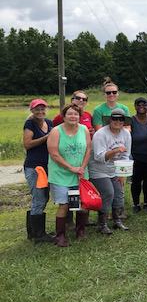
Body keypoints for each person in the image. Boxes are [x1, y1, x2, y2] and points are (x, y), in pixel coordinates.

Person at [47, 104, 91, 247]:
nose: (73, 116)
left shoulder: (84, 129)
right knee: (64, 204)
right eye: (70, 114)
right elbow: (54, 153)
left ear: (80, 116)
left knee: (82, 203)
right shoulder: (56, 131)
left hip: (80, 173)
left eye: (76, 114)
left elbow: (88, 149)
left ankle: (81, 231)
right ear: (63, 117)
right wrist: (72, 168)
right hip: (61, 174)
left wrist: (82, 168)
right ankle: (60, 236)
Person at [89, 108, 132, 234]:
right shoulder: (101, 134)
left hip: (115, 169)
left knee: (119, 193)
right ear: (110, 120)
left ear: (124, 121)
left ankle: (117, 220)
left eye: (121, 119)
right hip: (98, 169)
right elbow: (99, 157)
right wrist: (115, 150)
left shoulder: (126, 134)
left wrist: (122, 173)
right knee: (108, 192)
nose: (117, 121)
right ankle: (102, 224)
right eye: (115, 119)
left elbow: (126, 154)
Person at [24, 99, 54, 243]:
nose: (40, 111)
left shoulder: (49, 123)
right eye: (37, 109)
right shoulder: (30, 124)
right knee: (39, 198)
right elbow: (27, 144)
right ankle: (39, 235)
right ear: (32, 110)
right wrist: (46, 137)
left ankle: (33, 232)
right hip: (34, 167)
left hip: (47, 165)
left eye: (43, 109)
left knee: (44, 197)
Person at [130, 97, 147, 212]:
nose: (141, 107)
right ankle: (136, 204)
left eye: (144, 104)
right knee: (136, 181)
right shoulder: (131, 121)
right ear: (135, 106)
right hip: (136, 156)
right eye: (138, 104)